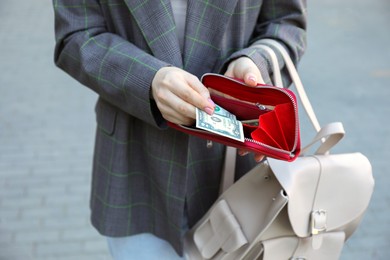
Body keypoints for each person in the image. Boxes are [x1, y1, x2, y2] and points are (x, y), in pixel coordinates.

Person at [52, 0, 306, 258]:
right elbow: (76, 34)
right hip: (135, 167)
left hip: (241, 179)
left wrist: (255, 62)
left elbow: (286, 23)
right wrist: (146, 80)